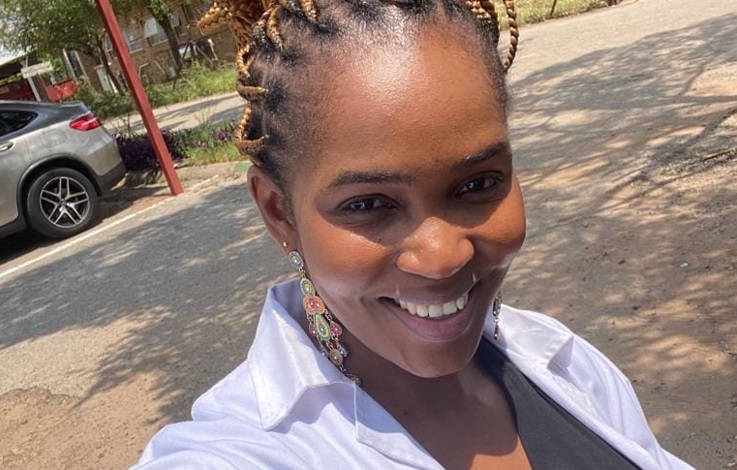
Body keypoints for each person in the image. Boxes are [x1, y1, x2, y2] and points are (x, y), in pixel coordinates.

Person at [132, 0, 693, 468]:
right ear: (279, 213)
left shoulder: (565, 365)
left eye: (478, 184)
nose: (443, 256)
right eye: (368, 204)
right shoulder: (242, 451)